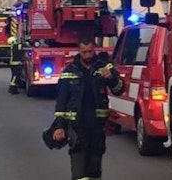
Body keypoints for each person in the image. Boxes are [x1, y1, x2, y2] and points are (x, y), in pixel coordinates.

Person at [52, 35, 124, 180]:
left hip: (97, 126)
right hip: (76, 126)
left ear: (94, 49)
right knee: (79, 169)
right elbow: (61, 102)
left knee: (94, 169)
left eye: (90, 51)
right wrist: (59, 126)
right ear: (78, 51)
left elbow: (119, 89)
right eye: (84, 52)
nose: (88, 55)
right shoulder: (69, 71)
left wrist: (111, 78)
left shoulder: (105, 67)